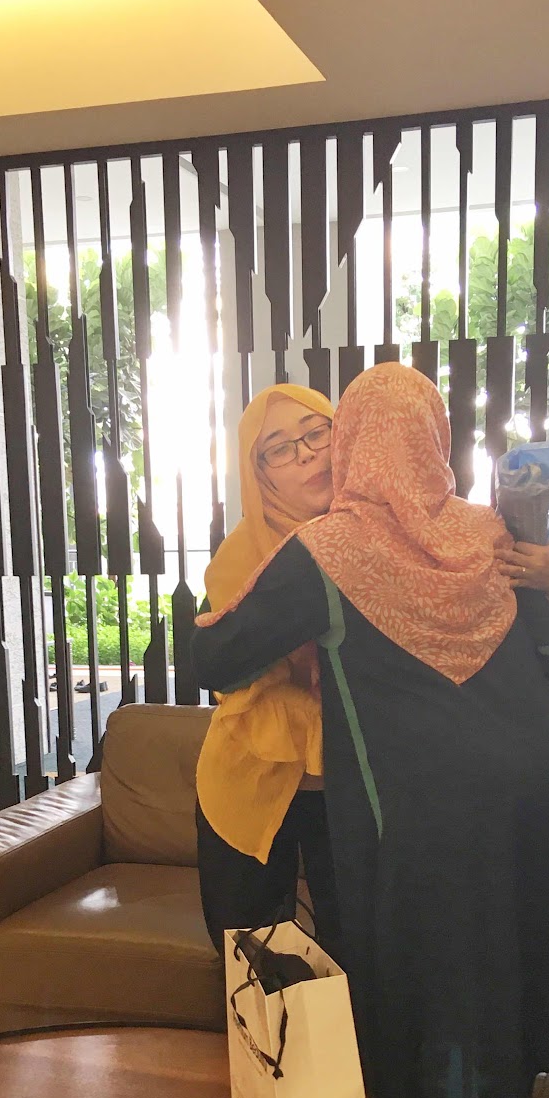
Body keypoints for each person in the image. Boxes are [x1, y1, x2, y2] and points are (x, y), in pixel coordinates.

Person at [192, 363, 549, 1098]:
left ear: (357, 443)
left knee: (432, 1056)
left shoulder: (330, 550)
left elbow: (216, 656)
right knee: (523, 1040)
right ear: (436, 439)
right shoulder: (488, 535)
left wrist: (206, 621)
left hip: (423, 845)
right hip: (538, 823)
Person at [195, 383, 344, 965]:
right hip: (250, 782)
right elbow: (237, 685)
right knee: (257, 969)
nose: (305, 455)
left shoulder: (380, 536)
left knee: (358, 959)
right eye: (279, 449)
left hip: (350, 794)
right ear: (260, 474)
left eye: (316, 433)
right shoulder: (241, 557)